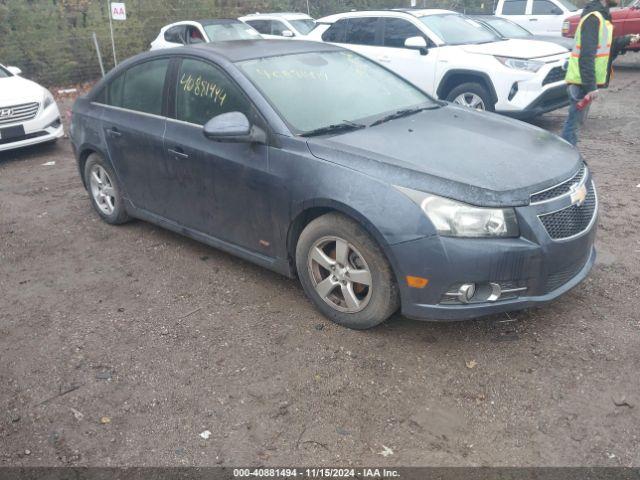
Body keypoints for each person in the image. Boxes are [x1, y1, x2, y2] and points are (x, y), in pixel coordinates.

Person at [561, 0, 640, 146]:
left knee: (575, 124)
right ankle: (566, 159)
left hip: (583, 82)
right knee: (572, 126)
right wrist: (591, 87)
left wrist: (628, 39)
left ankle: (568, 157)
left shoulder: (602, 16)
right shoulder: (593, 18)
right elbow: (587, 55)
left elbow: (607, 47)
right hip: (581, 83)